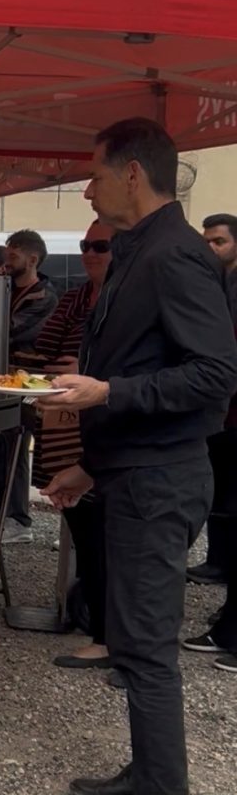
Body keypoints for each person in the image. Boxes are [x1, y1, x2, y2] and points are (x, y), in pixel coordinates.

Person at [39, 118, 237, 795]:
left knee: (148, 652)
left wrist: (108, 392)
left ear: (132, 172)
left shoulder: (175, 254)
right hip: (135, 475)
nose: (86, 189)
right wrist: (91, 464)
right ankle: (150, 773)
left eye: (94, 174)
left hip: (161, 484)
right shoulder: (138, 250)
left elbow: (215, 375)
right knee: (131, 643)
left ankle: (161, 785)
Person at [31, 221, 115, 671]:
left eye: (99, 246)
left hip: (104, 425)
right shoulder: (77, 296)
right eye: (85, 246)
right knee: (84, 526)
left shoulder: (128, 299)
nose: (89, 253)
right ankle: (101, 627)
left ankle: (109, 635)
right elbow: (43, 343)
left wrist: (82, 363)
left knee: (108, 533)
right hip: (65, 425)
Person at [0, 229, 58, 543]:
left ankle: (19, 519)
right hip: (1, 378)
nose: (6, 262)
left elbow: (7, 330)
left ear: (32, 259)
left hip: (28, 383)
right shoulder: (6, 289)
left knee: (15, 445)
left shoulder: (43, 297)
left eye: (12, 256)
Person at [185, 213, 237, 585]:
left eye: (218, 241)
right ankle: (217, 559)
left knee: (230, 490)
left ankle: (223, 564)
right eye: (206, 241)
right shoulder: (214, 281)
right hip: (217, 405)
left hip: (232, 404)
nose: (211, 248)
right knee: (220, 486)